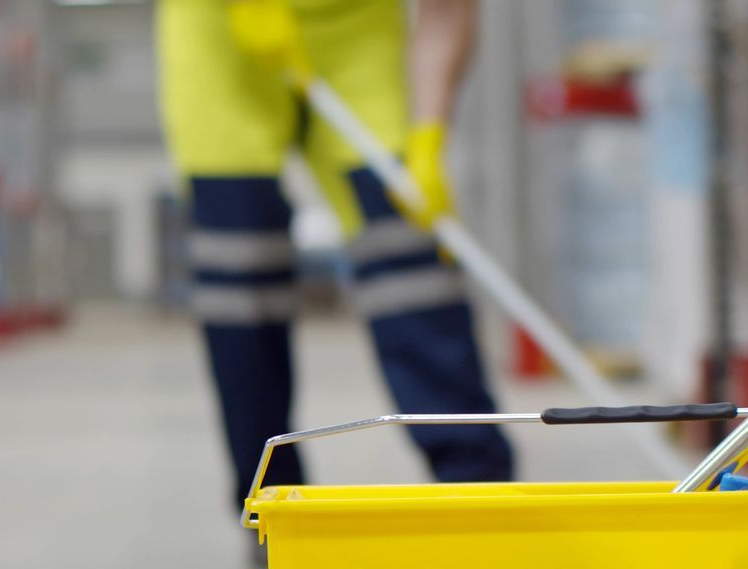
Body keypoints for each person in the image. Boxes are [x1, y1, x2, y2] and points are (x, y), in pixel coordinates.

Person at [158, 0, 516, 522]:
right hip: (220, 31)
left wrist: (428, 135)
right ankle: (273, 508)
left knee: (407, 249)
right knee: (240, 271)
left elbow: (447, 13)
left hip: (356, 30)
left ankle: (479, 491)